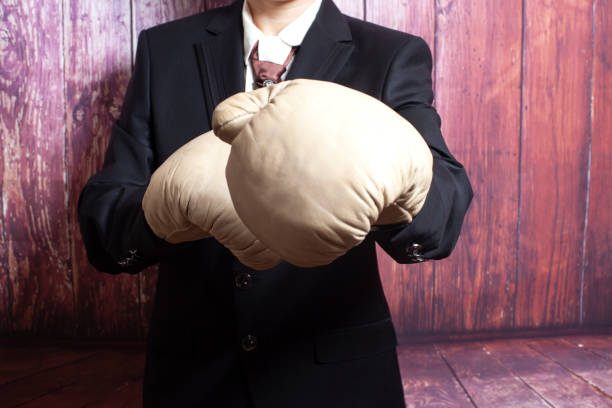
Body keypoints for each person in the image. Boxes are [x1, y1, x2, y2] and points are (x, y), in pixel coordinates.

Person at [77, 0, 473, 407]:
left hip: (338, 380)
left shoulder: (389, 53)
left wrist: (396, 189)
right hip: (193, 380)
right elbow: (104, 224)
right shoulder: (164, 48)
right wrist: (156, 215)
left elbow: (443, 213)